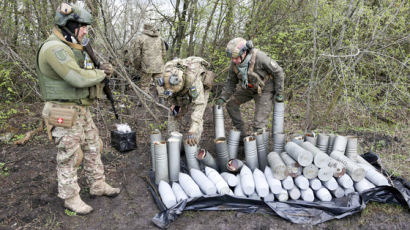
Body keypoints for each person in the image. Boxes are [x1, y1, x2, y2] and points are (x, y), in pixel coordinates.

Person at [36, 3, 120, 214]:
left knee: (94, 147)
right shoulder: (54, 48)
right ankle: (70, 197)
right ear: (69, 25)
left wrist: (101, 68)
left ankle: (98, 184)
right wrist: (102, 75)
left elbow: (86, 69)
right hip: (62, 110)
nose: (85, 31)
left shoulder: (72, 46)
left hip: (80, 109)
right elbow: (77, 78)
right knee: (70, 155)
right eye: (82, 26)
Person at [216, 37, 284, 138]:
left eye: (236, 57)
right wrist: (223, 97)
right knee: (231, 105)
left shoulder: (260, 57)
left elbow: (278, 72)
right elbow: (231, 82)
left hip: (265, 89)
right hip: (248, 88)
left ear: (245, 52)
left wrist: (279, 93)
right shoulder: (234, 64)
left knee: (259, 125)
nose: (234, 60)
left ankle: (258, 147)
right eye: (232, 58)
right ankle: (242, 135)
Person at [157, 57, 215, 145]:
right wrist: (174, 104)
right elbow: (169, 95)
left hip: (201, 83)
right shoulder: (166, 75)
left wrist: (192, 130)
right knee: (173, 113)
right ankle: (173, 143)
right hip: (181, 92)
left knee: (197, 120)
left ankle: (193, 148)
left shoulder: (194, 82)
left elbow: (199, 107)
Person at [133, 23, 167, 102]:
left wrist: (137, 66)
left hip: (146, 66)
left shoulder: (140, 38)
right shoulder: (160, 38)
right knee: (160, 83)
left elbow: (136, 55)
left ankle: (142, 101)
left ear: (144, 29)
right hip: (159, 65)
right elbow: (164, 53)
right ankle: (162, 99)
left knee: (144, 85)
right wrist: (160, 61)